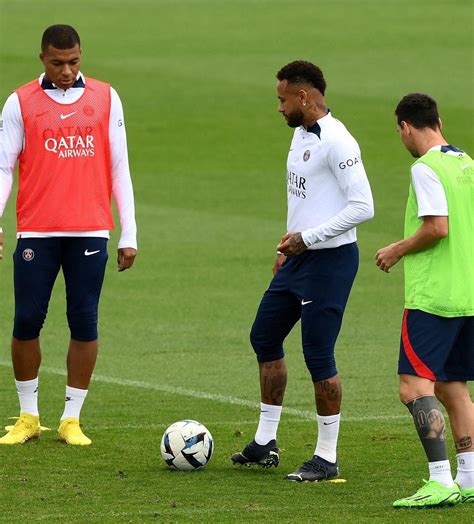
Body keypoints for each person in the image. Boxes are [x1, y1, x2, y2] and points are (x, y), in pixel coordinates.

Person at [231, 60, 374, 481]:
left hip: (329, 262)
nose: (279, 107)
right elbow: (307, 197)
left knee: (318, 354)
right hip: (298, 257)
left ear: (304, 97)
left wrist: (308, 239)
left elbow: (363, 207)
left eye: (282, 99)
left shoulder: (339, 142)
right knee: (264, 335)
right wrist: (291, 243)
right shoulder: (298, 134)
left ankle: (326, 458)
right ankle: (264, 442)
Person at [0, 24, 137, 446]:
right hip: (37, 231)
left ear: (81, 56)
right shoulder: (19, 102)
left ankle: (71, 419)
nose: (66, 70)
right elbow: (4, 167)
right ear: (42, 57)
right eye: (58, 63)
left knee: (83, 320)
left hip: (90, 229)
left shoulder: (105, 97)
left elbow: (119, 167)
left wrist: (129, 232)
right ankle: (27, 416)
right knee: (26, 320)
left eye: (74, 62)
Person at [375, 93, 473, 507]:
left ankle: (440, 480)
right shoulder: (466, 163)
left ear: (405, 127)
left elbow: (437, 227)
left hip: (433, 296)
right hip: (468, 293)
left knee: (414, 387)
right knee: (453, 387)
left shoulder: (426, 168)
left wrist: (397, 249)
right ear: (439, 120)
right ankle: (469, 478)